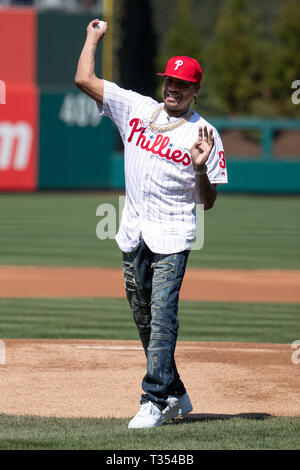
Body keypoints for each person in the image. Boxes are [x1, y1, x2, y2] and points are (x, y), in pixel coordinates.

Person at [75, 19, 228, 429]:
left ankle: (154, 399)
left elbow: (208, 202)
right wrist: (93, 37)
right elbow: (83, 78)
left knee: (163, 314)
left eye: (182, 84)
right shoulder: (137, 108)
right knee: (144, 320)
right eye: (169, 81)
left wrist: (200, 169)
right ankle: (176, 393)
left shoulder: (205, 134)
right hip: (133, 232)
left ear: (195, 90)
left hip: (174, 236)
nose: (172, 88)